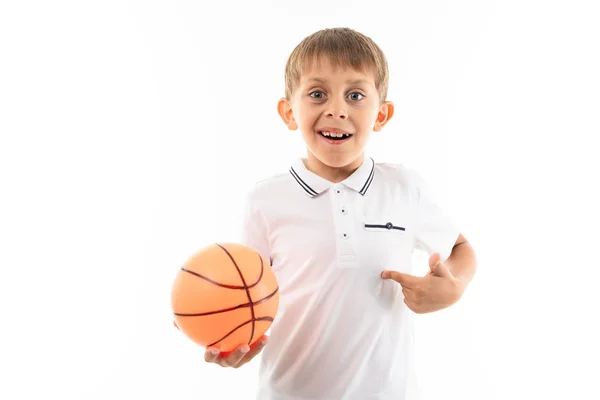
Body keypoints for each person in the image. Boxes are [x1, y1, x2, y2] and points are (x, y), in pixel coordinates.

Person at [204, 27, 477, 399]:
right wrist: (224, 338)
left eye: (355, 95)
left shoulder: (403, 188)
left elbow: (462, 249)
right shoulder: (266, 200)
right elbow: (245, 297)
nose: (336, 109)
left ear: (381, 114)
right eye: (317, 94)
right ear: (288, 112)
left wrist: (453, 288)